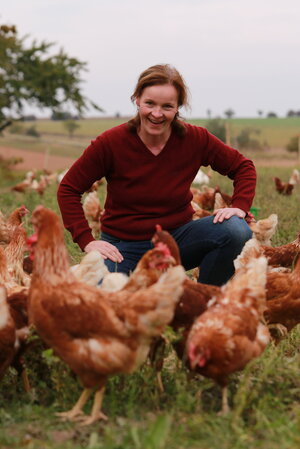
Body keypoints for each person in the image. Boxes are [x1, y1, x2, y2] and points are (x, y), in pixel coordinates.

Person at [57, 64, 255, 286]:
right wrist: (87, 241)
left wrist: (240, 205)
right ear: (137, 100)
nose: (157, 114)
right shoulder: (111, 143)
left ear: (178, 107)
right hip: (123, 248)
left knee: (236, 229)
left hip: (177, 241)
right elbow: (68, 189)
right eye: (149, 103)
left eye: (167, 106)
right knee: (101, 298)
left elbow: (243, 166)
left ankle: (206, 301)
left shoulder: (195, 139)